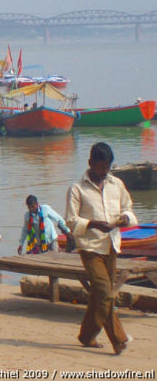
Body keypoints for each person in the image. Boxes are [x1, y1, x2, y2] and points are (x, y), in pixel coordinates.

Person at [66, 142, 136, 355]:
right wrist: (95, 224)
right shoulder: (77, 188)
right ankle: (119, 339)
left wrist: (125, 219)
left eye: (107, 167)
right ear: (90, 163)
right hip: (90, 247)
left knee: (99, 295)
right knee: (106, 293)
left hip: (112, 245)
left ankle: (87, 336)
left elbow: (129, 210)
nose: (103, 171)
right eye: (100, 167)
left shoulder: (116, 184)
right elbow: (71, 221)